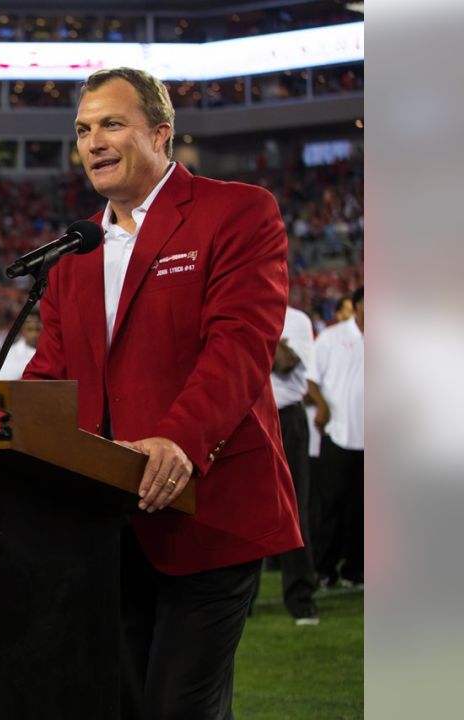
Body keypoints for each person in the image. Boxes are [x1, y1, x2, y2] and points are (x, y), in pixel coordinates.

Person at [22, 67, 302, 718]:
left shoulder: (237, 211)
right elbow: (50, 377)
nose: (93, 141)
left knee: (179, 708)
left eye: (111, 124)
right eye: (83, 130)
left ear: (161, 133)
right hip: (104, 529)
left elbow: (239, 345)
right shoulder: (74, 253)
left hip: (208, 509)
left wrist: (180, 438)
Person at [259, 306, 323, 624]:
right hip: (247, 419)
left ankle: (300, 597)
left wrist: (249, 332)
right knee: (245, 511)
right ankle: (243, 602)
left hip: (286, 419)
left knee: (293, 508)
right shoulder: (238, 309)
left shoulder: (296, 319)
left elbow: (284, 363)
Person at [312, 286, 364, 588]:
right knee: (331, 505)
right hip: (339, 433)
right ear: (356, 306)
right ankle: (324, 568)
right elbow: (311, 378)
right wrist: (321, 405)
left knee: (364, 509)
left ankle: (355, 569)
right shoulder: (332, 338)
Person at [0, 315, 43, 381]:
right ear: (23, 331)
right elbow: (1, 378)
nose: (34, 334)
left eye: (38, 330)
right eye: (30, 330)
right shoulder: (10, 353)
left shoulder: (49, 352)